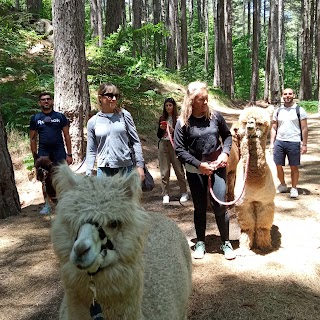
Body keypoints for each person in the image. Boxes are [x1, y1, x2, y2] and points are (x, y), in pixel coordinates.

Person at [174, 81, 235, 260]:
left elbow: (227, 136)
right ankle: (200, 241)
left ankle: (226, 242)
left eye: (207, 99)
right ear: (191, 101)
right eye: (202, 100)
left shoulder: (216, 117)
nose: (206, 103)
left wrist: (224, 153)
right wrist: (199, 164)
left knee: (219, 206)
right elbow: (180, 150)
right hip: (195, 171)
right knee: (200, 207)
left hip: (217, 168)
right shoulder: (183, 122)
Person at [86, 83, 145, 181]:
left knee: (126, 196)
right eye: (110, 95)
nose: (114, 99)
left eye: (116, 96)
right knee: (105, 196)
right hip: (104, 170)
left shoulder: (124, 115)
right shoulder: (93, 121)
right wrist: (89, 172)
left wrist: (140, 166)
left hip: (125, 169)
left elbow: (135, 141)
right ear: (100, 97)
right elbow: (91, 150)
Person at [30, 92, 73, 214]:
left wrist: (69, 154)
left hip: (59, 151)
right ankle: (47, 204)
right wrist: (35, 157)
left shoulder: (60, 117)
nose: (46, 101)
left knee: (62, 177)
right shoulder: (36, 118)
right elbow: (32, 139)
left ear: (52, 101)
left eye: (48, 99)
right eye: (43, 100)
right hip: (43, 153)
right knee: (44, 179)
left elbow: (67, 135)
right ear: (40, 103)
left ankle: (64, 202)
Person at [269, 88, 308, 198]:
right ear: (282, 96)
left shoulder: (300, 110)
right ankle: (283, 184)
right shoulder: (278, 111)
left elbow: (304, 128)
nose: (287, 96)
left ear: (293, 95)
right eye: (285, 94)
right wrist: (272, 143)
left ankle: (294, 188)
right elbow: (274, 128)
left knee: (294, 166)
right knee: (278, 165)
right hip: (279, 141)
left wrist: (304, 144)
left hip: (294, 142)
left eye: (290, 94)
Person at [157, 97, 189, 204]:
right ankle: (165, 194)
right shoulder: (162, 118)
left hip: (174, 146)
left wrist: (173, 130)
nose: (168, 107)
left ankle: (184, 192)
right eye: (166, 105)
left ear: (173, 106)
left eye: (170, 105)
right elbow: (158, 135)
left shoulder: (179, 119)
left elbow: (183, 135)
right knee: (164, 171)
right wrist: (162, 129)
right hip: (163, 145)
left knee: (179, 170)